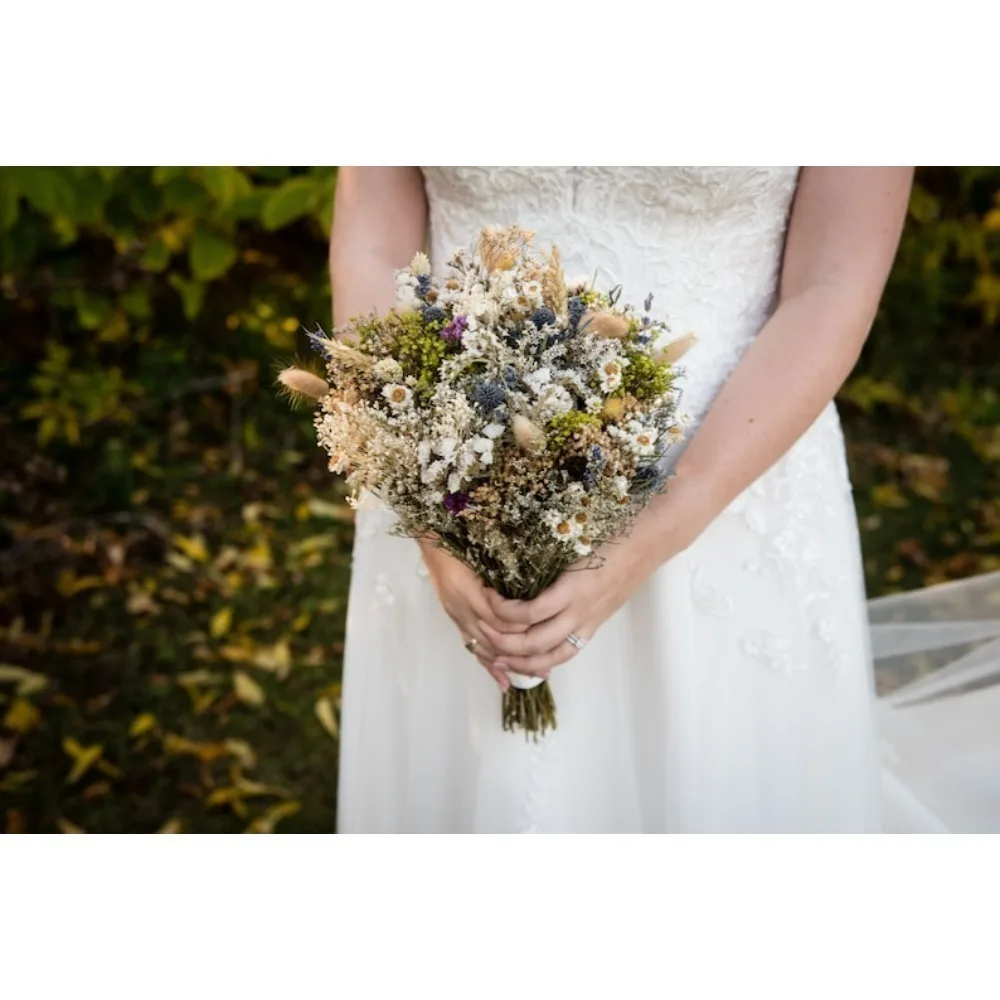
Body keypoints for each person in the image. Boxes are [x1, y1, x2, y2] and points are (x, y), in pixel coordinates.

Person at [331, 166, 913, 833]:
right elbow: (372, 245)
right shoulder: (434, 487)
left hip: (727, 477)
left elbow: (831, 285)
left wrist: (659, 524)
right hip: (450, 465)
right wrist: (426, 503)